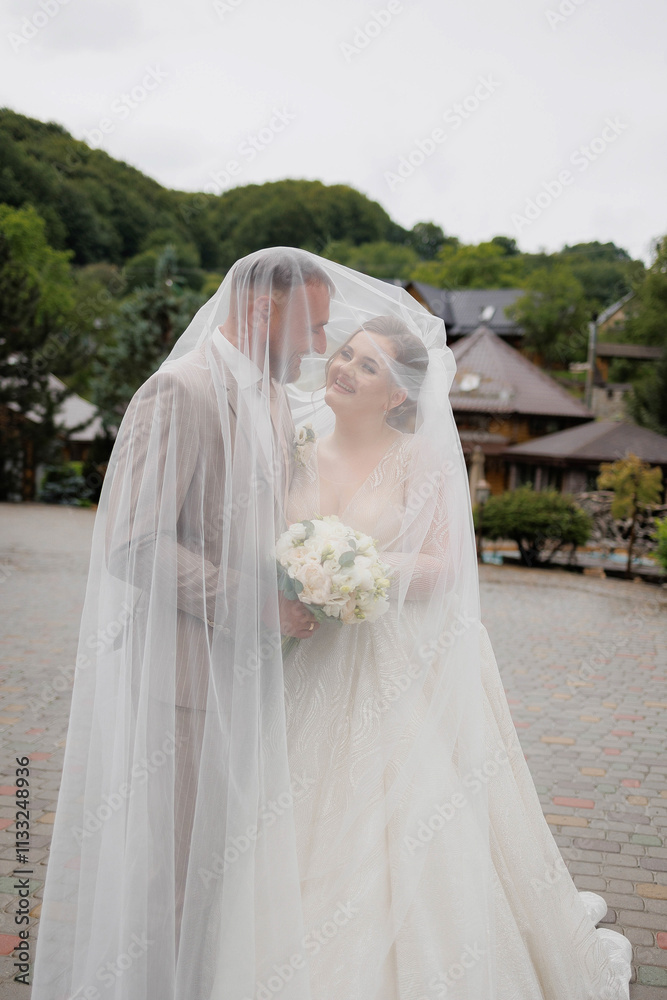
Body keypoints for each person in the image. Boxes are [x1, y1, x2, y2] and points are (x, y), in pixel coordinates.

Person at [32, 249, 632, 1000]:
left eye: (353, 354)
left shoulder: (286, 409)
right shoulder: (182, 393)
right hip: (210, 672)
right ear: (263, 312)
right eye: (320, 331)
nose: (326, 351)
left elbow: (401, 556)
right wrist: (285, 589)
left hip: (300, 667)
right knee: (185, 864)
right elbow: (136, 541)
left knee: (279, 849)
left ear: (398, 395)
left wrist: (354, 575)